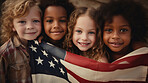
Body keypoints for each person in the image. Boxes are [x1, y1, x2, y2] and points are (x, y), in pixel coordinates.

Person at [97, 0, 148, 82]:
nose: (115, 36)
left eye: (123, 30)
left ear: (133, 32)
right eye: (109, 30)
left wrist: (141, 52)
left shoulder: (141, 52)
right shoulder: (98, 52)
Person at [0, 0, 42, 82]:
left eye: (35, 21)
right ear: (12, 26)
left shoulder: (43, 45)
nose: (29, 27)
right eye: (22, 22)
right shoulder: (5, 53)